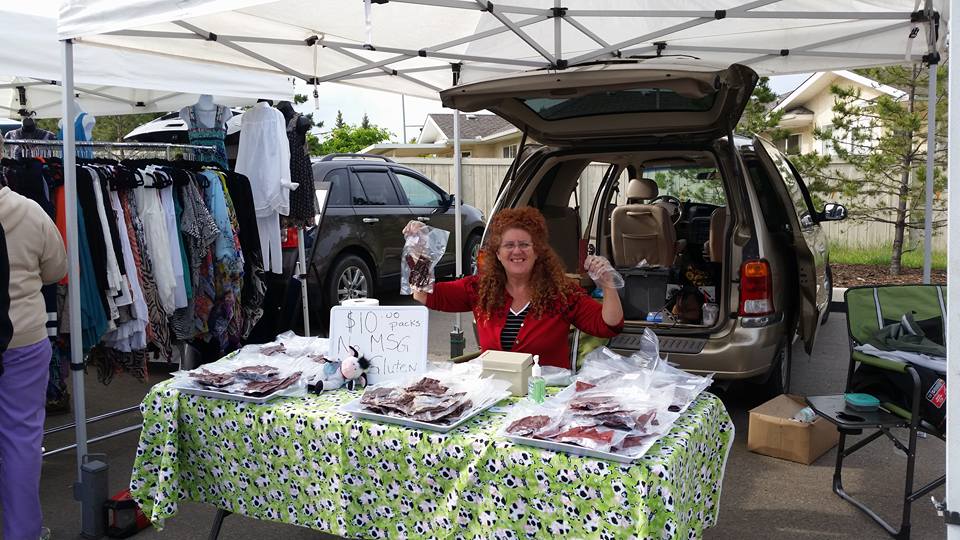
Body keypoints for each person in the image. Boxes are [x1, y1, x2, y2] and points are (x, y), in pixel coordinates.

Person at [410, 207, 624, 368]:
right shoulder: (478, 289)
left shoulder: (562, 293)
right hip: (494, 396)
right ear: (497, 253)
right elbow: (423, 294)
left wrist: (608, 284)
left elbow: (608, 325)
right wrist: (419, 250)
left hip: (546, 397)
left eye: (524, 244)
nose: (517, 251)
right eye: (509, 245)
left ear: (537, 251)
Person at [0, 184, 67, 540]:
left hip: (21, 339)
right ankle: (22, 532)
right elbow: (56, 268)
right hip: (22, 335)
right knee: (21, 440)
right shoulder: (28, 210)